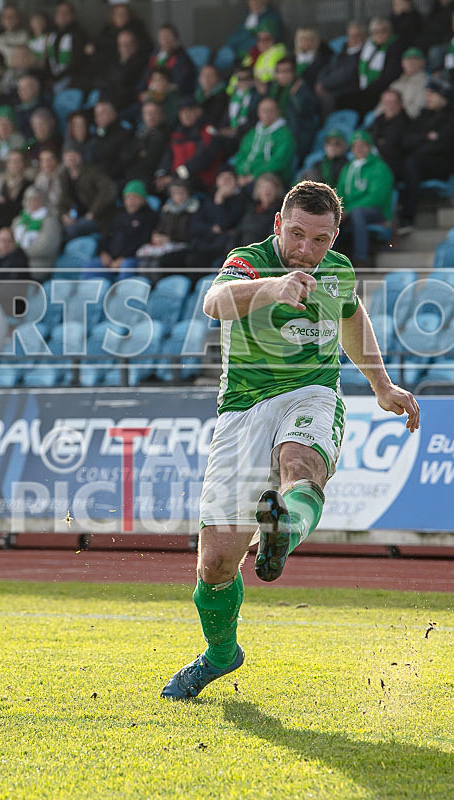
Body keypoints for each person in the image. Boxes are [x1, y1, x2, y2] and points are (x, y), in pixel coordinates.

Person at [160, 180, 420, 699]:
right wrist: (270, 288)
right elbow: (214, 302)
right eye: (297, 234)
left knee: (300, 466)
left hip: (312, 394)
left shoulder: (339, 272)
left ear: (334, 236)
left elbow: (350, 316)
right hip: (242, 410)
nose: (306, 249)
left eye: (320, 240)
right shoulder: (250, 260)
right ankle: (220, 654)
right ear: (279, 225)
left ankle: (279, 533)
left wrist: (381, 384)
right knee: (214, 565)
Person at [398, 76, 454, 233]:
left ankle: (408, 217)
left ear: (443, 95)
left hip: (442, 165)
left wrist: (418, 144)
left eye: (432, 93)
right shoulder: (424, 114)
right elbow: (405, 140)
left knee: (412, 162)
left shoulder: (450, 116)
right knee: (398, 164)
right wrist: (426, 137)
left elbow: (444, 145)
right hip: (418, 161)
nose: (427, 97)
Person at [336, 130, 395, 266]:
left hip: (376, 211)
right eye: (355, 146)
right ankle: (328, 259)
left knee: (358, 213)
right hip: (351, 210)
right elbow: (339, 192)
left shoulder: (380, 167)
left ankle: (361, 258)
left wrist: (349, 210)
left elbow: (376, 197)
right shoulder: (348, 168)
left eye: (363, 145)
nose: (359, 149)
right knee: (331, 215)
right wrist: (340, 209)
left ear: (369, 147)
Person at [83, 180, 158, 280]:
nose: (131, 201)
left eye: (135, 197)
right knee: (91, 265)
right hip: (110, 259)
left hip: (132, 259)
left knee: (127, 265)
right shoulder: (119, 215)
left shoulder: (150, 217)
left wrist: (123, 258)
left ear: (143, 200)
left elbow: (144, 240)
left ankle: (121, 294)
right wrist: (103, 253)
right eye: (128, 197)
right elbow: (106, 235)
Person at [156, 96, 223, 193]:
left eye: (189, 111)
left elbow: (203, 158)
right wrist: (162, 174)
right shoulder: (177, 133)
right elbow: (168, 155)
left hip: (200, 182)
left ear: (199, 111)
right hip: (176, 180)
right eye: (182, 112)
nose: (185, 115)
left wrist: (175, 176)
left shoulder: (208, 132)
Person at [186, 166, 248, 268]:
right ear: (216, 181)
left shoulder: (242, 201)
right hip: (206, 243)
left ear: (236, 182)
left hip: (225, 247)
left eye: (229, 178)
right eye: (222, 178)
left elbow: (223, 224)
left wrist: (219, 201)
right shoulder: (208, 200)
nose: (225, 181)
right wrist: (211, 229)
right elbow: (194, 225)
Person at [263, 56, 319, 160]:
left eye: (287, 71)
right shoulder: (273, 90)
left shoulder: (302, 89)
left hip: (296, 139)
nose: (283, 75)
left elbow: (304, 113)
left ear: (293, 73)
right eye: (279, 71)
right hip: (274, 136)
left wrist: (295, 95)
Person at [58, 144, 117, 241]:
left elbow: (108, 189)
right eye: (67, 154)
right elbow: (64, 199)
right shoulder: (64, 175)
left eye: (74, 153)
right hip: (80, 216)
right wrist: (64, 215)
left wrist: (93, 212)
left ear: (81, 156)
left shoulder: (92, 171)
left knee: (71, 230)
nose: (71, 157)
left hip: (101, 217)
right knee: (57, 226)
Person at [234, 97, 296, 186]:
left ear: (278, 112)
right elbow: (241, 154)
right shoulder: (253, 133)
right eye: (263, 110)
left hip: (269, 177)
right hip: (243, 175)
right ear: (258, 112)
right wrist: (240, 173)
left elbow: (278, 162)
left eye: (270, 110)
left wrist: (253, 176)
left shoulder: (285, 135)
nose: (266, 113)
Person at [315, 21, 366, 117]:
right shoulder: (342, 50)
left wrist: (324, 84)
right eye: (350, 35)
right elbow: (326, 68)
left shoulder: (362, 55)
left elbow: (346, 76)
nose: (353, 38)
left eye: (357, 35)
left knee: (327, 100)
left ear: (363, 37)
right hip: (329, 86)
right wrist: (320, 82)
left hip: (345, 91)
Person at [353, 18, 403, 113]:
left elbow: (390, 75)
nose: (379, 34)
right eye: (375, 32)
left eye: (383, 31)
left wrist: (370, 87)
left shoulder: (394, 47)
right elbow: (358, 68)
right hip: (366, 86)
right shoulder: (369, 45)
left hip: (383, 88)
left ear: (389, 32)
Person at [11, 186, 63, 278]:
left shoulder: (50, 221)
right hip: (16, 261)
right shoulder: (18, 220)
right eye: (29, 199)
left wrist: (18, 253)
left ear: (43, 202)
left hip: (38, 264)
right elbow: (9, 239)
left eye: (36, 200)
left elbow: (45, 248)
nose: (32, 203)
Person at [122, 102, 170, 190]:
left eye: (154, 113)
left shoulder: (165, 134)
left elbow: (150, 161)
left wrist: (136, 154)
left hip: (150, 179)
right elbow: (125, 158)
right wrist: (138, 153)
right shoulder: (140, 133)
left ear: (162, 115)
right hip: (132, 176)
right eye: (146, 113)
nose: (150, 116)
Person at [45, 1, 88, 91]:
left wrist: (56, 79)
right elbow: (48, 57)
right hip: (52, 76)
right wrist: (49, 77)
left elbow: (77, 62)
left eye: (66, 12)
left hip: (71, 77)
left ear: (72, 16)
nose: (62, 15)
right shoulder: (52, 33)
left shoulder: (78, 33)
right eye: (59, 12)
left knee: (58, 88)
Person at [143, 24, 196, 95]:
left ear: (175, 39)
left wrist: (159, 90)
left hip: (172, 95)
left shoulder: (182, 58)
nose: (165, 40)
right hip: (152, 94)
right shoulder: (155, 55)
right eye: (162, 37)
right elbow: (145, 76)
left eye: (168, 36)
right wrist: (141, 92)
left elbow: (180, 83)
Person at [86, 100, 133, 180]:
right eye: (97, 114)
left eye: (102, 113)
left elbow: (122, 162)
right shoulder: (97, 135)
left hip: (114, 179)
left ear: (113, 114)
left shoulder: (124, 134)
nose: (98, 117)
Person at [381, 47, 427, 119]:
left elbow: (417, 110)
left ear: (422, 63)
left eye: (415, 59)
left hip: (408, 122)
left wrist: (394, 111)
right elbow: (380, 108)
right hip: (386, 121)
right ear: (402, 63)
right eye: (408, 59)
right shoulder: (395, 84)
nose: (411, 62)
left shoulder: (426, 83)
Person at [371, 89, 410, 177]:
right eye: (386, 102)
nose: (389, 105)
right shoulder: (379, 119)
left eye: (393, 102)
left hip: (392, 164)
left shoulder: (405, 122)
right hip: (377, 159)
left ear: (401, 103)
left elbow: (391, 147)